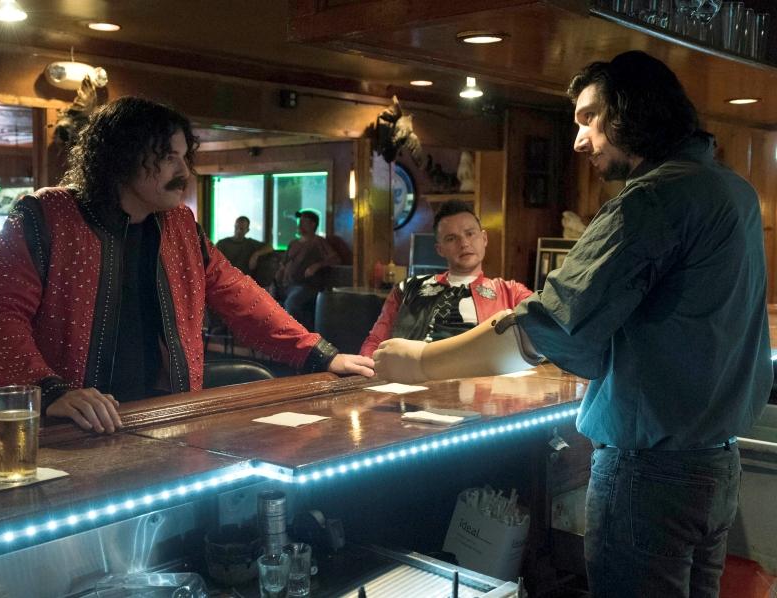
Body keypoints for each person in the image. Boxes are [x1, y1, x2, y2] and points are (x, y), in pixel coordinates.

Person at [372, 51, 771, 597]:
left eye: (589, 118)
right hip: (718, 465)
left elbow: (544, 328)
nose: (579, 140)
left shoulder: (653, 199)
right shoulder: (734, 191)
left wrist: (419, 360)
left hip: (649, 474)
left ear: (630, 111)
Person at [0, 97, 373, 434]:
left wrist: (319, 355)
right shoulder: (46, 214)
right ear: (121, 159)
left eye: (183, 157)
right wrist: (50, 391)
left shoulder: (180, 224)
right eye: (167, 158)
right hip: (73, 425)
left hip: (168, 415)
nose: (183, 172)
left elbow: (239, 296)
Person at [359, 200, 531, 357]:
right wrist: (367, 373)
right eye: (451, 238)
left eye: (470, 234)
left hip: (484, 376)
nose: (464, 243)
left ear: (484, 238)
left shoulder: (511, 292)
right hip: (413, 374)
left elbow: (542, 329)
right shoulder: (408, 288)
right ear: (440, 249)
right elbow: (375, 342)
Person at [271, 209, 339, 329]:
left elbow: (335, 259)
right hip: (286, 285)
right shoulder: (293, 243)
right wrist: (274, 283)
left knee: (291, 304)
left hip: (306, 286)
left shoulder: (318, 242)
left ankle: (302, 335)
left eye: (303, 222)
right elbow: (282, 266)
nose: (299, 225)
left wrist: (317, 265)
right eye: (299, 222)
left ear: (313, 224)